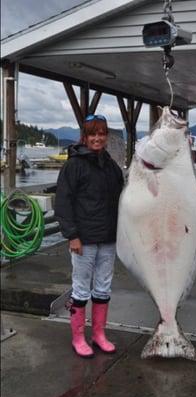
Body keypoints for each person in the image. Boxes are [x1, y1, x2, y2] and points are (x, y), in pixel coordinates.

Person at [54, 114, 124, 358]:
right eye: (92, 133)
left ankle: (99, 335)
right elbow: (62, 202)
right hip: (83, 239)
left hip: (108, 238)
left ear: (106, 136)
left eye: (101, 133)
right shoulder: (73, 165)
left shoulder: (111, 165)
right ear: (84, 137)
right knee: (81, 289)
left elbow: (121, 197)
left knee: (103, 288)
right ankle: (78, 338)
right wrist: (72, 235)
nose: (97, 138)